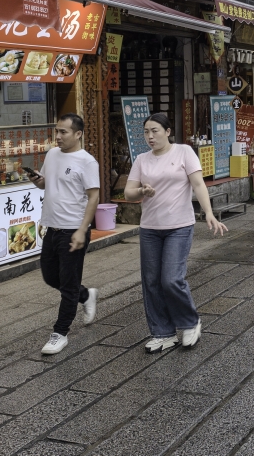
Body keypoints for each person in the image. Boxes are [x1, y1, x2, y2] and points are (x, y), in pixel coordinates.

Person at [125, 113, 227, 353]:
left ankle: (190, 321)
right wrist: (142, 190)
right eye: (146, 132)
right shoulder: (141, 159)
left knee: (171, 279)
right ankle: (163, 332)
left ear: (168, 132)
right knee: (151, 282)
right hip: (150, 228)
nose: (150, 136)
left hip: (179, 226)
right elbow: (129, 193)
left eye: (155, 131)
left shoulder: (183, 152)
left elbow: (198, 184)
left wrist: (208, 213)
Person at [28, 114, 101, 355]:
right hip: (51, 227)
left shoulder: (87, 162)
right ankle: (85, 295)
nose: (57, 136)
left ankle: (60, 333)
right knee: (51, 277)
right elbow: (47, 184)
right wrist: (37, 181)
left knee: (67, 284)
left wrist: (82, 230)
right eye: (56, 131)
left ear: (78, 134)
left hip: (73, 229)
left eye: (63, 132)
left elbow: (94, 197)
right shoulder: (52, 154)